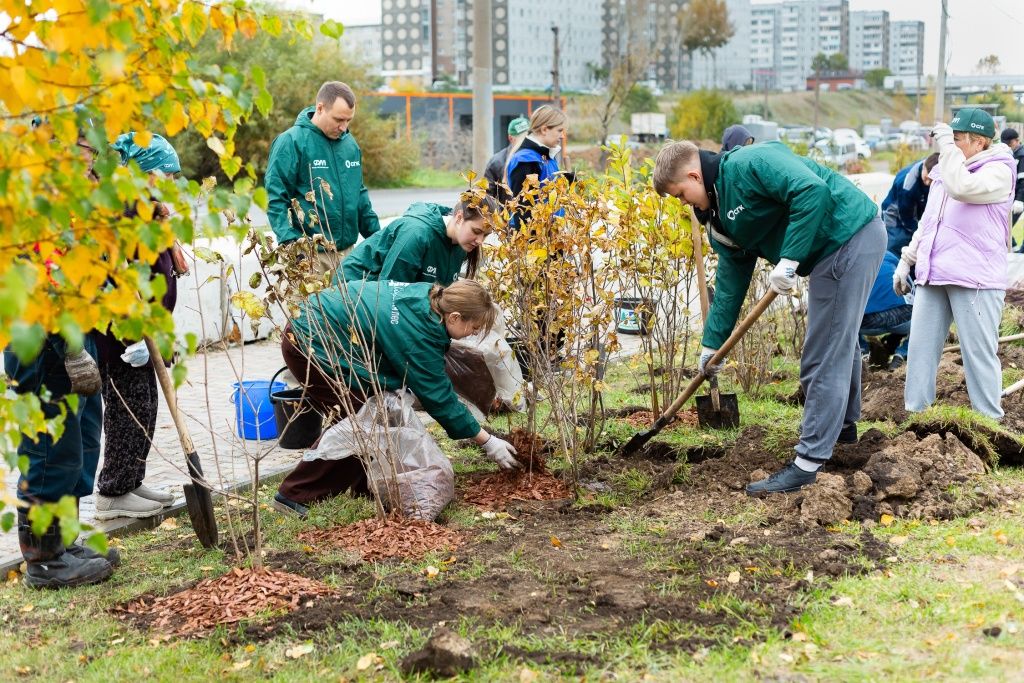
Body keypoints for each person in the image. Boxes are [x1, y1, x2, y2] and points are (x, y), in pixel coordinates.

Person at [653, 139, 885, 495]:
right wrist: (711, 345)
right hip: (835, 247)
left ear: (694, 174)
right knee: (838, 341)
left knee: (822, 355)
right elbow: (730, 285)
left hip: (848, 236)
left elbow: (812, 190)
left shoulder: (752, 163)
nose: (684, 203)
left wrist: (789, 259)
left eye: (681, 194)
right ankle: (843, 431)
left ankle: (807, 463)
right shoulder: (719, 218)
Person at [273, 279, 521, 517]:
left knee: (367, 416)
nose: (473, 334)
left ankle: (368, 486)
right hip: (311, 343)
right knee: (365, 425)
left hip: (321, 331)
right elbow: (440, 399)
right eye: (474, 328)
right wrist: (488, 442)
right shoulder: (421, 333)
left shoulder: (429, 297)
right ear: (455, 317)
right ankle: (294, 494)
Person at [894, 108, 1016, 420]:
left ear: (980, 142)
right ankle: (916, 418)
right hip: (934, 273)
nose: (949, 144)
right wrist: (907, 260)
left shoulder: (998, 171)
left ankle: (990, 422)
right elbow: (929, 220)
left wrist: (947, 149)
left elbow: (963, 189)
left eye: (957, 139)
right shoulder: (947, 169)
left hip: (975, 278)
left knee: (977, 353)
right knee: (920, 349)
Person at [92, 133, 187, 520]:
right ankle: (112, 492)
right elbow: (115, 279)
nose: (170, 182)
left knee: (145, 410)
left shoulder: (148, 210)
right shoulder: (121, 214)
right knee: (127, 412)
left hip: (149, 332)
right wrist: (132, 336)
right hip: (123, 339)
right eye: (164, 173)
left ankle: (132, 480)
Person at [264, 81, 379, 276]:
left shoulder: (350, 145)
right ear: (320, 108)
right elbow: (276, 198)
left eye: (348, 121)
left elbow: (359, 197)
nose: (344, 127)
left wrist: (379, 239)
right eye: (338, 120)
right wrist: (291, 244)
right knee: (307, 308)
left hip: (347, 257)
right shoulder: (291, 141)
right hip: (308, 256)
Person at [340, 193, 497, 286]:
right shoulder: (416, 233)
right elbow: (390, 294)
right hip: (353, 293)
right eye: (477, 231)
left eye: (486, 235)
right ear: (459, 218)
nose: (480, 241)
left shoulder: (462, 243)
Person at [504, 105, 571, 222]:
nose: (562, 136)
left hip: (550, 235)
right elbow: (524, 212)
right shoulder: (526, 160)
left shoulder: (545, 156)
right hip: (537, 237)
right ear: (544, 129)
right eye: (559, 130)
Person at [860, 251, 913, 370]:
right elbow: (908, 283)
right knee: (928, 317)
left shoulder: (850, 258)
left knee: (845, 315)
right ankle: (902, 354)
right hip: (903, 318)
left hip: (868, 324)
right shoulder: (887, 254)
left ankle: (863, 351)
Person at [881, 153, 939, 254]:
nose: (928, 183)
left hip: (915, 209)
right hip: (895, 216)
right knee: (899, 245)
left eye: (931, 180)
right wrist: (919, 232)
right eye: (926, 178)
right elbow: (906, 216)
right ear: (924, 166)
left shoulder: (932, 164)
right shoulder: (908, 184)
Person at [484, 117, 530, 202]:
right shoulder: (496, 162)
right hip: (507, 214)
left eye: (528, 137)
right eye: (522, 139)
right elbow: (487, 197)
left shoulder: (538, 158)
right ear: (510, 138)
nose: (526, 142)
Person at [1000, 128, 1024, 235]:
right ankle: (1015, 247)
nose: (1008, 146)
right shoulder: (1012, 154)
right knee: (1004, 226)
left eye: (1010, 143)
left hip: (1019, 197)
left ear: (1016, 140)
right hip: (1012, 196)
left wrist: (1019, 200)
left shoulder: (1021, 156)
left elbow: (1022, 180)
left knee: (1005, 227)